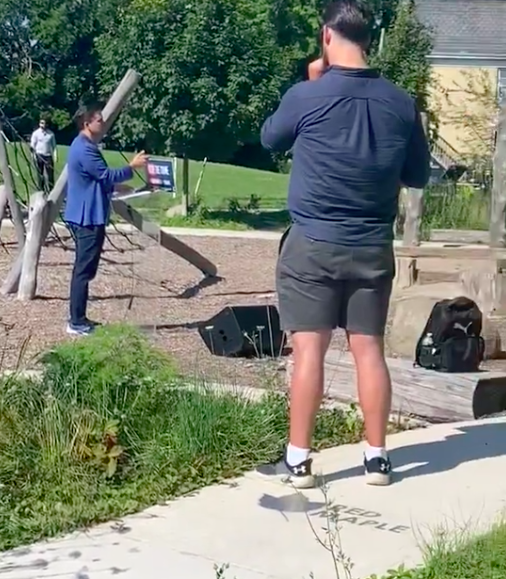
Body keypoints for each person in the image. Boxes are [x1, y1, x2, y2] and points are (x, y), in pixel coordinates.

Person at [259, 0, 430, 488]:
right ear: (368, 40)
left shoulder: (308, 94)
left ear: (327, 37)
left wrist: (312, 85)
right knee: (369, 350)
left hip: (312, 241)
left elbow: (271, 138)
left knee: (309, 351)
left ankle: (298, 462)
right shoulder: (401, 103)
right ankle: (377, 458)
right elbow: (417, 175)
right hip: (372, 244)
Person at [64, 103, 148, 336]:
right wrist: (132, 167)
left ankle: (78, 317)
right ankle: (76, 322)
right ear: (86, 124)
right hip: (87, 217)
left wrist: (124, 188)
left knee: (85, 270)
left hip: (87, 214)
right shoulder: (84, 148)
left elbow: (99, 180)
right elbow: (105, 175)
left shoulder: (84, 145)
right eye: (99, 119)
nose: (103, 123)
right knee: (83, 271)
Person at [30, 119, 58, 192]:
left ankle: (51, 190)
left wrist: (55, 156)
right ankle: (41, 190)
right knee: (40, 174)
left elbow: (54, 146)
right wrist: (33, 156)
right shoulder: (36, 133)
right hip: (39, 155)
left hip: (48, 156)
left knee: (50, 175)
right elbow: (32, 145)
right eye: (41, 123)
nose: (43, 125)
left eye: (44, 123)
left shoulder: (51, 134)